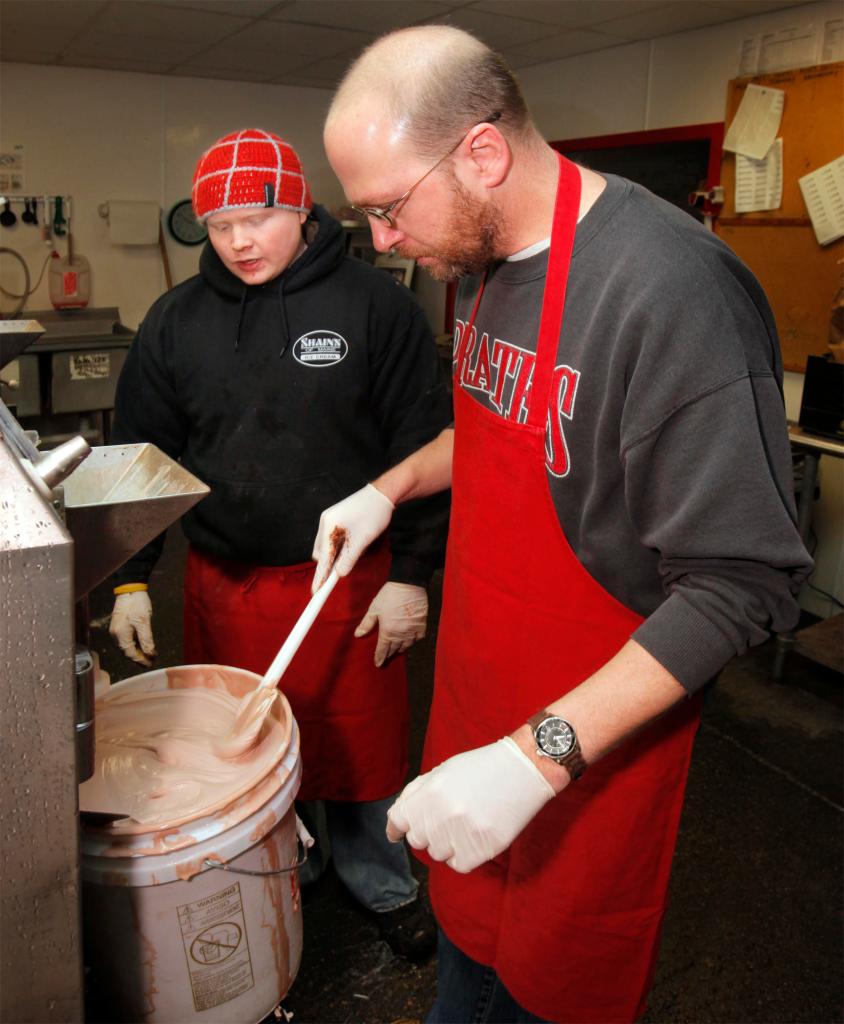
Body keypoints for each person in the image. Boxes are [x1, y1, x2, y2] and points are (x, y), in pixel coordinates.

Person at [312, 26, 814, 1024]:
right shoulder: (485, 254)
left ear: (482, 154)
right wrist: (391, 486)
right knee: (466, 979)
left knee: (547, 994)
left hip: (584, 743)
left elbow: (742, 581)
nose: (378, 242)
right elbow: (505, 420)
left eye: (384, 209)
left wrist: (533, 757)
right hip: (474, 702)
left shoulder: (671, 292)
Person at [108, 127, 451, 960]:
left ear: (301, 208)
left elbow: (428, 442)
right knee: (245, 750)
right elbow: (136, 456)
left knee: (358, 749)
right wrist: (126, 581)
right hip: (224, 578)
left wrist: (413, 573)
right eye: (217, 223)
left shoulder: (377, 308)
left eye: (257, 217)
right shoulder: (175, 321)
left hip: (347, 579)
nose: (238, 242)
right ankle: (275, 870)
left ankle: (381, 879)